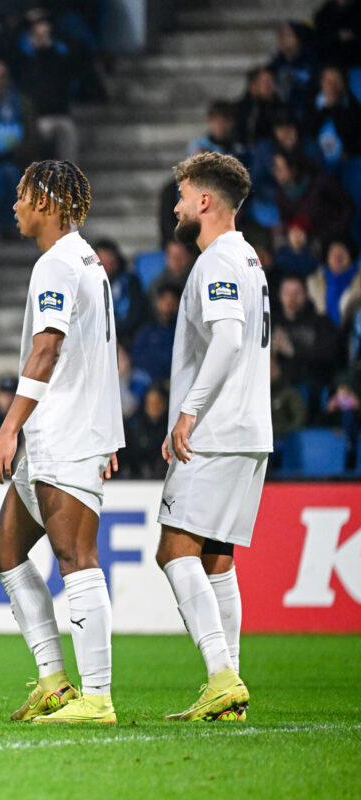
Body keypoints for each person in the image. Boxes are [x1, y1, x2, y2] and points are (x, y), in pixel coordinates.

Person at [0, 159, 123, 724]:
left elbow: (48, 348)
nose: (14, 205)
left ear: (45, 201)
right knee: (5, 552)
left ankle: (98, 697)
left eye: (21, 195)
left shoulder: (58, 264)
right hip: (63, 429)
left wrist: (7, 427)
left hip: (62, 431)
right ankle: (55, 683)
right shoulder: (82, 259)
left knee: (75, 557)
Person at [156, 151, 270, 722]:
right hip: (248, 430)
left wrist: (188, 414)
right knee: (216, 558)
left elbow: (226, 340)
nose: (176, 206)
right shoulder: (249, 259)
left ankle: (222, 676)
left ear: (205, 201)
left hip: (217, 431)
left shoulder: (220, 260)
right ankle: (231, 689)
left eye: (182, 195)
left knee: (174, 550)